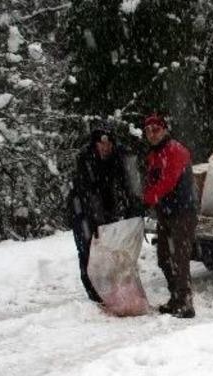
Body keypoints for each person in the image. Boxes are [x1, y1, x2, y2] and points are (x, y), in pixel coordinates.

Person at [68, 124, 142, 303]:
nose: (105, 147)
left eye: (109, 143)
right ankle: (95, 294)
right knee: (87, 250)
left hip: (107, 208)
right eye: (102, 144)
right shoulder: (85, 160)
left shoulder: (119, 156)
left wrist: (134, 210)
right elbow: (87, 193)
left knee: (110, 251)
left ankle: (112, 291)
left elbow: (129, 186)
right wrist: (96, 222)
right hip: (83, 210)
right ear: (95, 144)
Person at [142, 113, 198, 318]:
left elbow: (168, 182)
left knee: (180, 259)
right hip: (165, 213)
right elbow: (151, 181)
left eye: (155, 129)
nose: (151, 134)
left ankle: (185, 303)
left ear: (164, 129)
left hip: (183, 212)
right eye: (147, 131)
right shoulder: (154, 154)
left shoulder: (176, 150)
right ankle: (175, 297)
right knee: (164, 258)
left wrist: (147, 199)